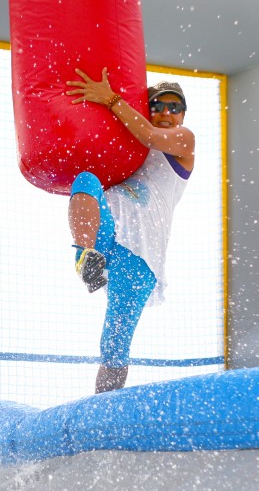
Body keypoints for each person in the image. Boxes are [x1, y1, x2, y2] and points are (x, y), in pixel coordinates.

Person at [64, 68, 195, 393]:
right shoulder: (125, 138)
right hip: (106, 231)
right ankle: (84, 258)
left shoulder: (183, 139)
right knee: (85, 181)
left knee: (114, 344)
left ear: (182, 115)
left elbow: (150, 137)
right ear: (146, 107)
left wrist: (109, 98)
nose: (166, 113)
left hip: (142, 257)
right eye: (158, 105)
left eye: (174, 107)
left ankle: (103, 413)